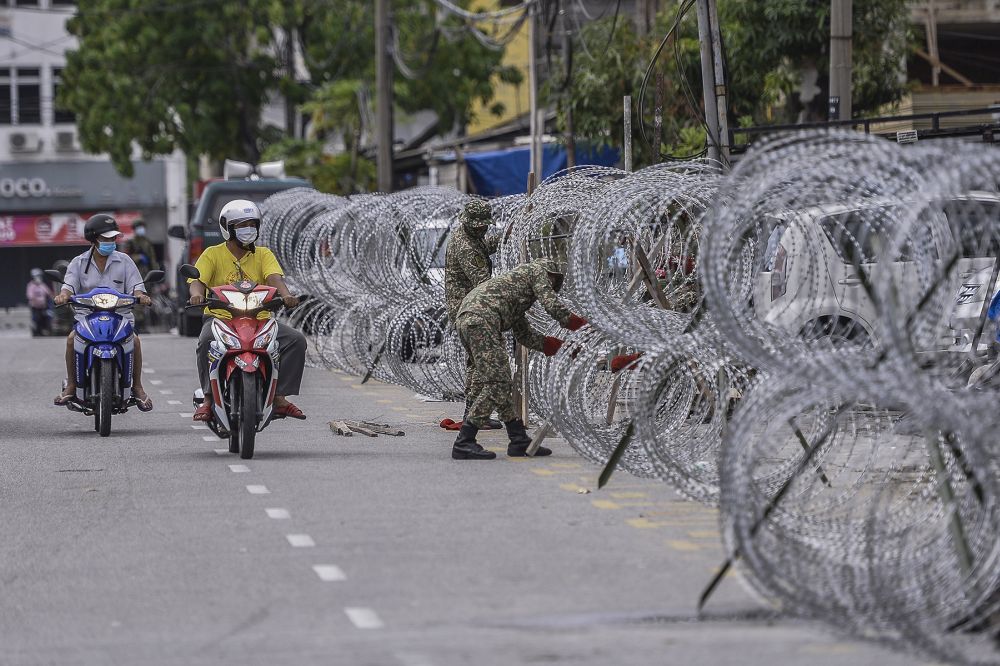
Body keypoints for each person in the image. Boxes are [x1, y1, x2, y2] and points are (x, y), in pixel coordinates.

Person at [452, 258, 588, 460]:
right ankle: (464, 441)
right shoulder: (536, 270)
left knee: (500, 383)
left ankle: (518, 440)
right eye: (552, 283)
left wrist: (564, 348)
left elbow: (525, 336)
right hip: (480, 321)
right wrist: (584, 327)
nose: (550, 287)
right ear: (549, 274)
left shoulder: (514, 294)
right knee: (497, 384)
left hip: (473, 321)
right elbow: (552, 305)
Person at [188, 199, 307, 421]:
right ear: (228, 228)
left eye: (252, 224)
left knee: (296, 340)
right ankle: (207, 398)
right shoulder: (212, 254)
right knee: (205, 342)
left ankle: (279, 397)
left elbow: (274, 277)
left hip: (259, 319)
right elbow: (198, 280)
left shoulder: (263, 254)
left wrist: (286, 295)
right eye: (242, 225)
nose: (248, 230)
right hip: (220, 319)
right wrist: (196, 294)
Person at [53, 214, 153, 410]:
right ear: (93, 238)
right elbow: (68, 286)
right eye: (106, 238)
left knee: (135, 341)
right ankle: (72, 385)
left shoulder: (125, 261)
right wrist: (63, 295)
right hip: (86, 318)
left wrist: (142, 295)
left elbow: (137, 287)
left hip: (120, 317)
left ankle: (137, 386)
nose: (111, 242)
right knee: (72, 340)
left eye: (113, 238)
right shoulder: (78, 262)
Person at [441, 199, 502, 431]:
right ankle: (474, 415)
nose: (484, 229)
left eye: (485, 226)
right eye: (480, 226)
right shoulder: (467, 247)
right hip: (471, 311)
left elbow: (484, 247)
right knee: (479, 360)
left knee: (478, 360)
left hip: (468, 308)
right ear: (472, 224)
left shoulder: (466, 235)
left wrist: (506, 235)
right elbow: (483, 283)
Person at [26, 268, 53, 336]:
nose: (38, 278)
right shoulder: (31, 285)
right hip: (35, 307)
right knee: (36, 319)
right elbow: (30, 296)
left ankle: (44, 331)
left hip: (43, 306)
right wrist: (37, 301)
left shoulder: (42, 285)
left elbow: (48, 293)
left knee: (46, 318)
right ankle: (36, 332)